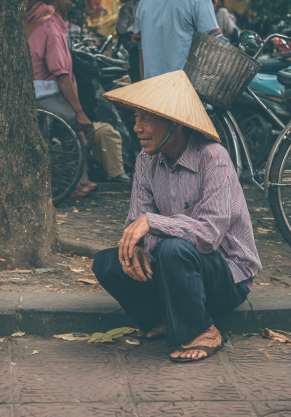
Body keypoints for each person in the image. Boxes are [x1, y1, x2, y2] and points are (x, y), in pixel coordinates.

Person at [93, 70, 261, 362]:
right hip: (175, 273)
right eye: (136, 118)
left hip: (225, 277)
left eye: (146, 119)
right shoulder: (145, 161)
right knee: (108, 262)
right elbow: (137, 219)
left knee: (173, 249)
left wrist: (153, 224)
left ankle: (204, 330)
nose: (137, 128)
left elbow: (209, 234)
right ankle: (163, 318)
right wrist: (138, 248)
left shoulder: (214, 157)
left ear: (175, 123)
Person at [29, 0, 129, 190]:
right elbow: (62, 75)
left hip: (45, 91)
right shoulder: (50, 28)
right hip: (44, 93)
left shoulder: (49, 24)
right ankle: (71, 185)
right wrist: (79, 112)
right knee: (76, 124)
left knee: (76, 131)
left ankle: (78, 181)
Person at [133, 0, 221, 80]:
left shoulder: (145, 0)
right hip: (184, 85)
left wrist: (144, 84)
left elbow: (141, 50)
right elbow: (213, 48)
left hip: (151, 84)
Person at [113, 0, 144, 83]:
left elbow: (121, 29)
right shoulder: (142, 3)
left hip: (134, 47)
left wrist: (132, 23)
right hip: (142, 45)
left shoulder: (127, 7)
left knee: (136, 73)